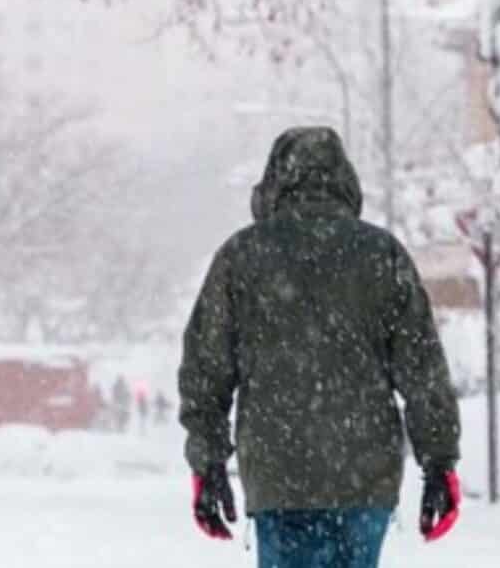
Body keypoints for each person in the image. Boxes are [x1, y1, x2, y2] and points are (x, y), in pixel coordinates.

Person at [178, 127, 461, 568]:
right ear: (345, 180)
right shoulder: (381, 254)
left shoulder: (242, 257)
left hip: (278, 474)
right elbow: (421, 369)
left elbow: (205, 372)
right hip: (363, 475)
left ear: (274, 181)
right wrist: (439, 461)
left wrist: (208, 463)